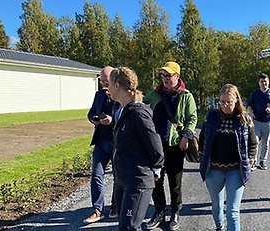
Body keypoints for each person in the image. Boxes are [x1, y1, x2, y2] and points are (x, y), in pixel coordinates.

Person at [107, 67, 165, 230]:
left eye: (109, 84)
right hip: (123, 180)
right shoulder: (122, 110)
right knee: (126, 226)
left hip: (138, 181)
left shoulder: (138, 113)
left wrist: (157, 167)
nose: (107, 88)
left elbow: (155, 143)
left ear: (117, 85)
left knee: (129, 227)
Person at [143, 61, 197, 230]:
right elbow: (142, 110)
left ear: (177, 76)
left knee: (175, 182)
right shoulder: (154, 95)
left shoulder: (186, 96)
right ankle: (159, 211)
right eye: (163, 75)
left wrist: (186, 136)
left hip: (175, 145)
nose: (165, 79)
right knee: (155, 181)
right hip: (155, 146)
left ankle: (175, 211)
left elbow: (192, 118)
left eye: (168, 75)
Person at [199, 84, 257, 231]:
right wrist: (201, 156)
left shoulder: (245, 120)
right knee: (217, 206)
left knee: (232, 212)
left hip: (236, 171)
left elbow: (252, 144)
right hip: (213, 171)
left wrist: (250, 159)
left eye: (229, 102)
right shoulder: (211, 117)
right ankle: (219, 227)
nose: (225, 105)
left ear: (236, 101)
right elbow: (202, 139)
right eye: (222, 102)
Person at [84, 66, 120, 224]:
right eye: (102, 81)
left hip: (116, 141)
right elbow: (91, 112)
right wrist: (94, 119)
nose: (104, 84)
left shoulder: (120, 94)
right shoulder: (98, 95)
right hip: (101, 141)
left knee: (118, 176)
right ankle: (98, 210)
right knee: (96, 175)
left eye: (106, 81)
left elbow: (127, 115)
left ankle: (115, 206)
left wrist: (113, 121)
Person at [247, 73, 270, 170]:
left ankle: (262, 161)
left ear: (268, 82)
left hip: (268, 122)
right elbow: (249, 106)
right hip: (256, 122)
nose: (264, 83)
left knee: (265, 143)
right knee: (255, 142)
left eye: (265, 81)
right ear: (259, 83)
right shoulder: (255, 93)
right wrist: (251, 113)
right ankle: (253, 161)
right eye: (262, 82)